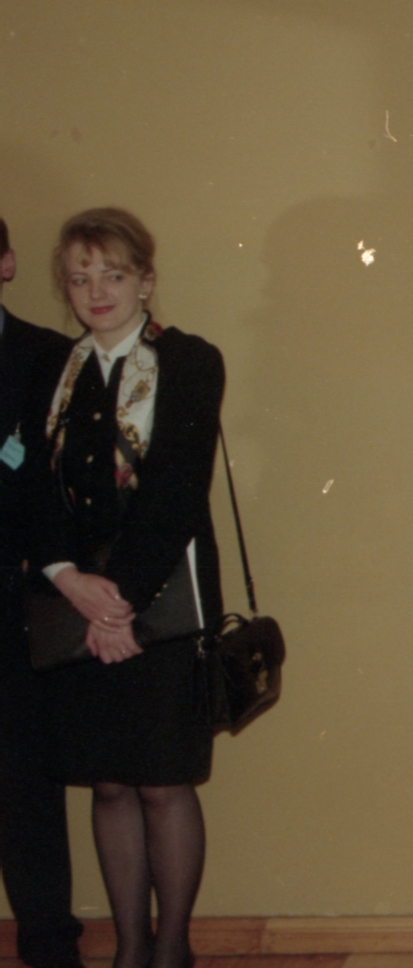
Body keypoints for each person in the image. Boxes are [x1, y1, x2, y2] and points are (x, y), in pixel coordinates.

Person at [25, 208, 224, 968]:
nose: (96, 291)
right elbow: (33, 489)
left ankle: (171, 949)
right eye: (80, 278)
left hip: (160, 603)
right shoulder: (50, 367)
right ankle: (129, 950)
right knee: (109, 784)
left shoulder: (190, 360)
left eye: (113, 274)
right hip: (73, 603)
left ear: (145, 279)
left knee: (163, 783)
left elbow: (177, 490)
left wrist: (122, 604)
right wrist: (69, 580)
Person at [0, 218, 83, 968]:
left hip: (15, 603)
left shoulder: (48, 357)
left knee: (23, 787)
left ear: (6, 262)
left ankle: (50, 950)